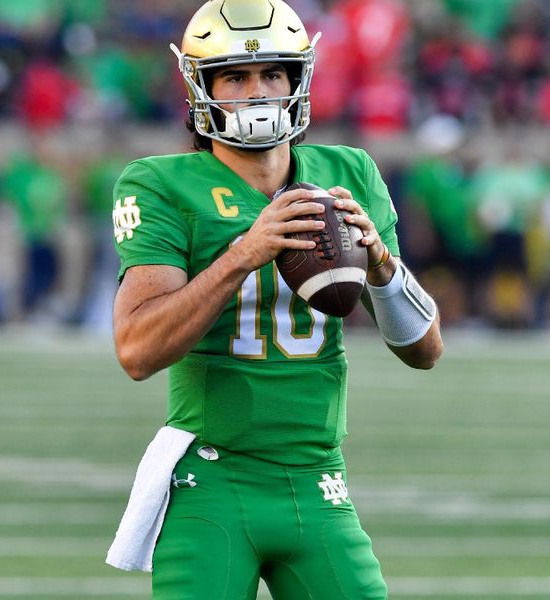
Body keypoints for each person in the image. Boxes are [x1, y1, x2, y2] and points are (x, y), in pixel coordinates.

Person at [108, 1, 443, 598]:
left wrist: (382, 265)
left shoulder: (349, 172)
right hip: (213, 482)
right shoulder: (160, 183)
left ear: (297, 80)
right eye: (235, 76)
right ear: (201, 85)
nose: (256, 91)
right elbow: (137, 350)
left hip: (319, 481)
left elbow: (425, 350)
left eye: (272, 74)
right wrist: (241, 255)